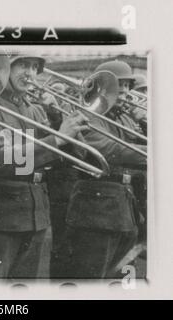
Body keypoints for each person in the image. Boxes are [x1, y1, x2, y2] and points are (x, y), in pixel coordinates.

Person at [0, 54, 91, 280]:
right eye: (23, 65)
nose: (30, 73)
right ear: (4, 68)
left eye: (35, 67)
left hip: (35, 213)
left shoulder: (34, 109)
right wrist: (58, 138)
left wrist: (57, 117)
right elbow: (1, 162)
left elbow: (79, 156)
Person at [64, 60, 147, 278]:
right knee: (91, 280)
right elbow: (112, 150)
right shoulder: (87, 116)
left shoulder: (125, 117)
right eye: (119, 85)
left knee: (123, 281)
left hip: (126, 211)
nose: (125, 92)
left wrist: (146, 123)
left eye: (128, 86)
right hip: (96, 212)